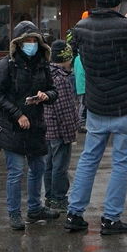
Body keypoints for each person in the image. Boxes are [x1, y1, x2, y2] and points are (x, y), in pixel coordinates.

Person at [64, 0, 127, 236]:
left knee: (89, 159)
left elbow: (79, 55)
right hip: (126, 106)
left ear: (97, 2)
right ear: (118, 3)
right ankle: (110, 219)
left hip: (96, 105)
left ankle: (74, 214)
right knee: (120, 163)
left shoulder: (81, 29)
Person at [0, 21, 58, 231]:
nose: (31, 44)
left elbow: (52, 90)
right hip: (12, 128)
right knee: (16, 172)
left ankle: (35, 207)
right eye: (27, 41)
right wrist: (17, 114)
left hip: (36, 125)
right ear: (18, 43)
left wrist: (46, 96)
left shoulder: (42, 64)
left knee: (38, 168)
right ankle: (14, 213)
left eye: (34, 41)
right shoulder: (6, 65)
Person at [43, 40, 79, 212]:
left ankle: (50, 197)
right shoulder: (62, 79)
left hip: (46, 128)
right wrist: (72, 130)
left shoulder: (46, 73)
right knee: (60, 165)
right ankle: (59, 198)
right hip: (59, 129)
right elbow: (64, 108)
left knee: (48, 164)